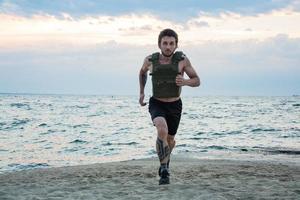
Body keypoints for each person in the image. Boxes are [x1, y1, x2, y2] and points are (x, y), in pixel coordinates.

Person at [139, 28, 200, 185]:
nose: (168, 47)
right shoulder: (150, 60)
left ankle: (164, 162)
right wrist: (141, 92)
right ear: (159, 44)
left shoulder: (182, 60)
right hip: (157, 102)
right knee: (162, 130)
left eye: (171, 43)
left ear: (176, 45)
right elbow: (142, 73)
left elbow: (197, 80)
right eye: (165, 43)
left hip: (175, 104)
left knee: (170, 140)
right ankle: (164, 170)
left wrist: (185, 82)